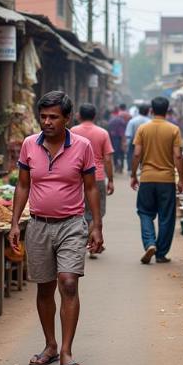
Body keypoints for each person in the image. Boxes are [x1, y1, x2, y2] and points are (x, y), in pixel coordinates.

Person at [8, 91, 103, 365]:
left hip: (72, 225)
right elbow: (23, 186)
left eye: (53, 117)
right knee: (44, 287)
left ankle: (66, 351)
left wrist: (96, 225)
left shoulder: (82, 146)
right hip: (37, 225)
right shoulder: (29, 145)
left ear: (67, 119)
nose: (47, 122)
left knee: (69, 283)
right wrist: (15, 223)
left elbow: (90, 188)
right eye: (43, 116)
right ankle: (49, 345)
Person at [130, 96, 183, 264]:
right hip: (167, 180)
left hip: (146, 178)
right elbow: (178, 156)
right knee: (166, 217)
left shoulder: (143, 129)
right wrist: (181, 178)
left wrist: (133, 174)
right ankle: (161, 254)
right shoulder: (174, 129)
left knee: (145, 212)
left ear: (152, 111)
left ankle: (149, 243)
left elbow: (137, 153)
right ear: (167, 111)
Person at [71, 103, 114, 258]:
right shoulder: (102, 133)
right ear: (95, 116)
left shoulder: (73, 132)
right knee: (97, 212)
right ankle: (92, 243)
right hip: (98, 177)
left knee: (81, 211)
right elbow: (107, 159)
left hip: (78, 177)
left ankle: (86, 242)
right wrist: (111, 180)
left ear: (79, 116)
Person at [125, 103, 151, 171]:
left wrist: (127, 144)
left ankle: (131, 169)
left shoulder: (132, 121)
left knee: (131, 155)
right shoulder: (150, 122)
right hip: (147, 142)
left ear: (139, 111)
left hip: (133, 142)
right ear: (148, 111)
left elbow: (128, 134)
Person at [107, 107, 127, 173]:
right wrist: (124, 140)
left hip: (113, 138)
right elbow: (123, 131)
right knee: (121, 152)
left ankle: (116, 166)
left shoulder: (111, 119)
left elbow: (109, 130)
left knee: (115, 153)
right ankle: (121, 167)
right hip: (121, 138)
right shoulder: (121, 120)